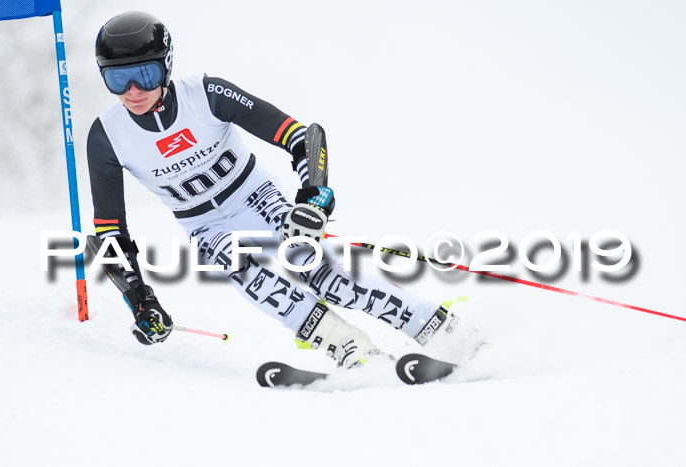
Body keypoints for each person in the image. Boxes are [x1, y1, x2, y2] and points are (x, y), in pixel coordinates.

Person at [87, 11, 461, 368]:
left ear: (166, 65)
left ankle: (436, 327)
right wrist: (139, 299)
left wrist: (314, 198)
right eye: (117, 80)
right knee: (239, 267)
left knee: (325, 275)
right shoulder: (107, 136)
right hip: (203, 223)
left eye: (145, 75)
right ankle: (345, 345)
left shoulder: (206, 94)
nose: (133, 92)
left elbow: (303, 137)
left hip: (254, 195)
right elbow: (109, 233)